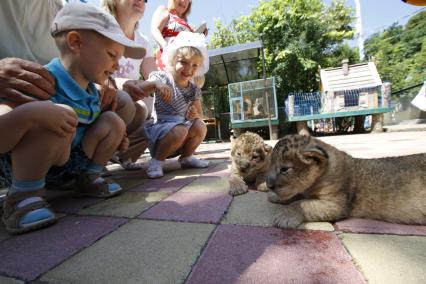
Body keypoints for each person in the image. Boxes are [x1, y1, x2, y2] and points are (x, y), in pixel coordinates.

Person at [0, 2, 146, 234]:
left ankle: (88, 178)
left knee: (113, 121)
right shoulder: (40, 82)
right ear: (76, 42)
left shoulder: (90, 91)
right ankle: (22, 197)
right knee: (53, 115)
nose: (117, 66)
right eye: (111, 55)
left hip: (67, 165)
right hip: (25, 167)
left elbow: (91, 126)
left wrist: (117, 139)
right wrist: (32, 114)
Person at [101, 0, 160, 170]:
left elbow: (154, 76)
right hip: (103, 95)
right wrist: (122, 84)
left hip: (131, 103)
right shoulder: (100, 29)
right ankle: (95, 160)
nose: (141, 1)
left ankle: (123, 156)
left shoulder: (143, 41)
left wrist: (167, 86)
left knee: (155, 108)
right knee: (136, 105)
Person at [144, 31, 210, 178]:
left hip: (182, 131)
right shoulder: (163, 77)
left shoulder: (194, 89)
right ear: (173, 60)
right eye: (183, 62)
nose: (189, 69)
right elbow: (150, 81)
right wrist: (158, 85)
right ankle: (156, 161)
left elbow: (199, 114)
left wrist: (194, 114)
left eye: (194, 65)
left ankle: (187, 157)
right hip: (161, 132)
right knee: (180, 130)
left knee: (200, 125)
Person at [151, 0, 207, 71]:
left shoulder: (187, 24)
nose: (184, 1)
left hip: (186, 63)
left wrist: (201, 34)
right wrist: (165, 46)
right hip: (168, 60)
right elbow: (155, 29)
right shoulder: (165, 10)